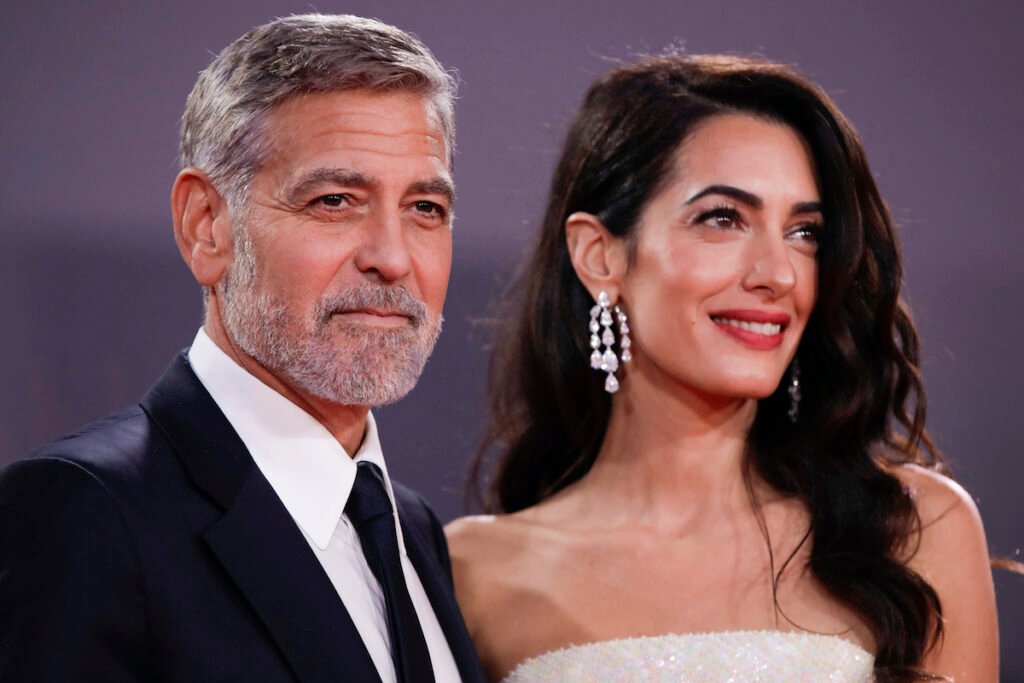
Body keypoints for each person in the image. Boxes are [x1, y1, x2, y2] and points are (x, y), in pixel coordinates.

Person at [445, 53, 999, 682]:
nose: (778, 274)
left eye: (805, 232)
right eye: (723, 218)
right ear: (600, 256)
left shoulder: (913, 530)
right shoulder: (474, 573)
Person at [0, 14, 485, 683]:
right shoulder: (88, 510)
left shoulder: (413, 527)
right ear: (207, 227)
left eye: (425, 208)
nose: (393, 258)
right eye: (335, 200)